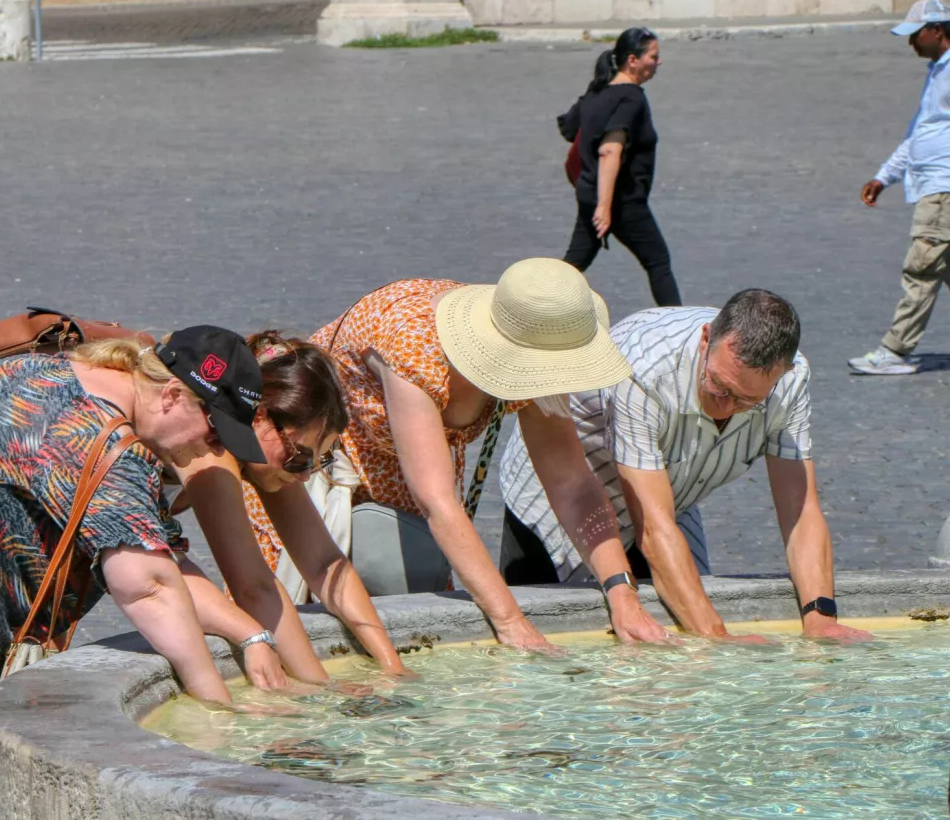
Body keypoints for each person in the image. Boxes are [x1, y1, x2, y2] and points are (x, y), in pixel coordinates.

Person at [0, 325, 383, 820]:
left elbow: (158, 559)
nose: (206, 450)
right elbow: (148, 585)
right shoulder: (103, 440)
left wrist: (248, 637)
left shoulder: (88, 379)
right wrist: (217, 714)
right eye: (209, 431)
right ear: (171, 396)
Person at [247, 258, 672, 652]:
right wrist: (510, 621)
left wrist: (621, 591)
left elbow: (573, 484)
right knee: (284, 612)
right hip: (307, 459)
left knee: (416, 599)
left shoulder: (538, 331)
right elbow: (439, 503)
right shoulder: (414, 344)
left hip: (400, 470)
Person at [498, 290, 872, 645]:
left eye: (748, 401)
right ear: (706, 339)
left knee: (677, 657)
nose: (725, 408)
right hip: (559, 504)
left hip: (672, 492)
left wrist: (820, 618)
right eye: (719, 388)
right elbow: (654, 529)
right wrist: (717, 638)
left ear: (783, 372)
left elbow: (801, 511)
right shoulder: (644, 368)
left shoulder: (791, 381)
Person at [169, 331, 413, 688]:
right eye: (301, 459)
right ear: (260, 417)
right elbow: (253, 587)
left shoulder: (270, 455)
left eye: (320, 461)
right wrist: (324, 691)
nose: (303, 478)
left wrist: (392, 666)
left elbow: (324, 564)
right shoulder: (214, 451)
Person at [850, 0, 950, 375]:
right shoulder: (937, 72)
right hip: (934, 185)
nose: (911, 42)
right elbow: (919, 134)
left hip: (946, 187)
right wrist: (884, 176)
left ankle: (894, 350)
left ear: (937, 31)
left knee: (922, 269)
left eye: (916, 34)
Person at [557, 26, 681, 308]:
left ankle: (532, 306)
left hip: (589, 192)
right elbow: (610, 150)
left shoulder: (597, 93)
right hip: (620, 200)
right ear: (632, 60)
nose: (658, 62)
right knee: (658, 261)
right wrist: (605, 206)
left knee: (573, 264)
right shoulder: (631, 98)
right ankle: (681, 329)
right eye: (653, 56)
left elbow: (569, 128)